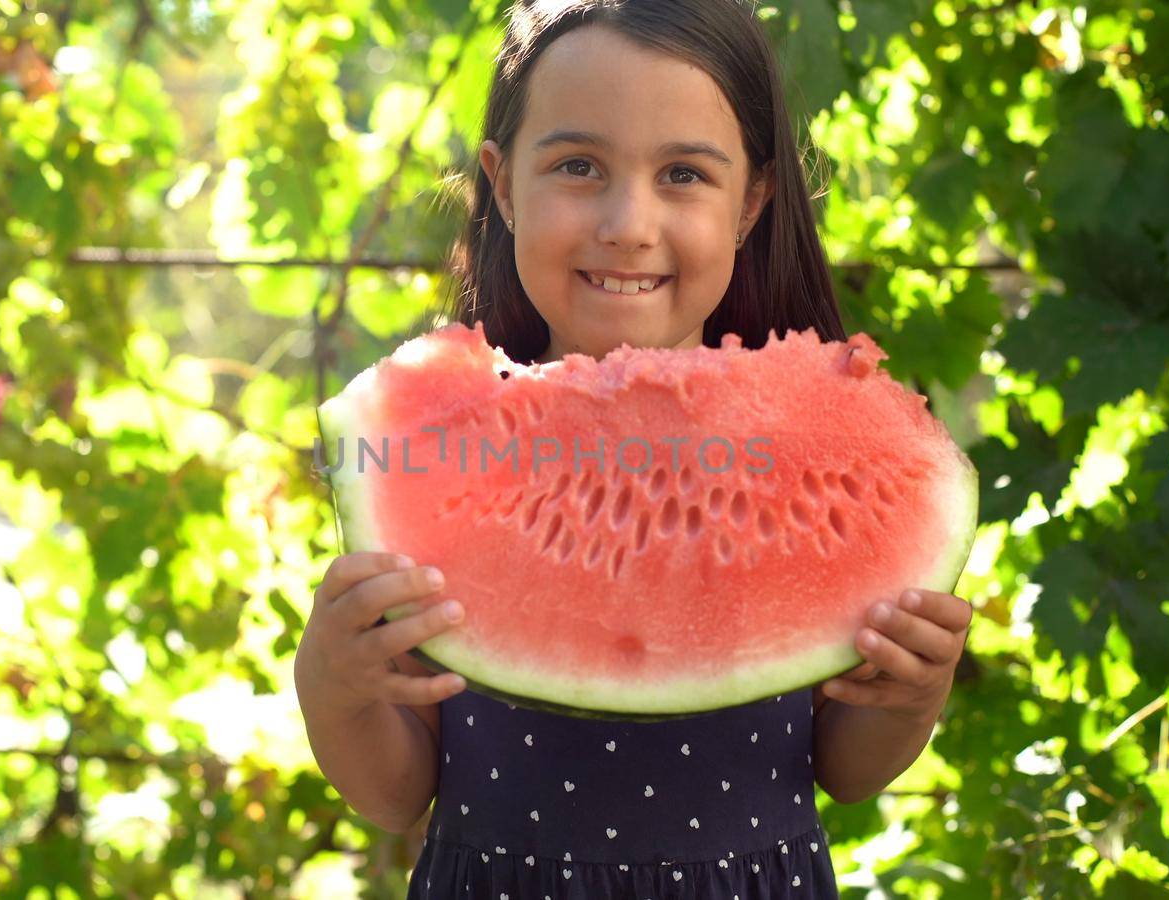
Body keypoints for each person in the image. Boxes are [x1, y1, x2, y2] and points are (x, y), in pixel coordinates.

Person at [294, 1, 974, 896]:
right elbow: (396, 791)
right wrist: (333, 683)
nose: (628, 222)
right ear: (502, 186)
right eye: (579, 165)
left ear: (752, 202)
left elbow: (846, 772)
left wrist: (913, 696)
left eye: (683, 174)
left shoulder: (804, 448)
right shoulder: (432, 451)